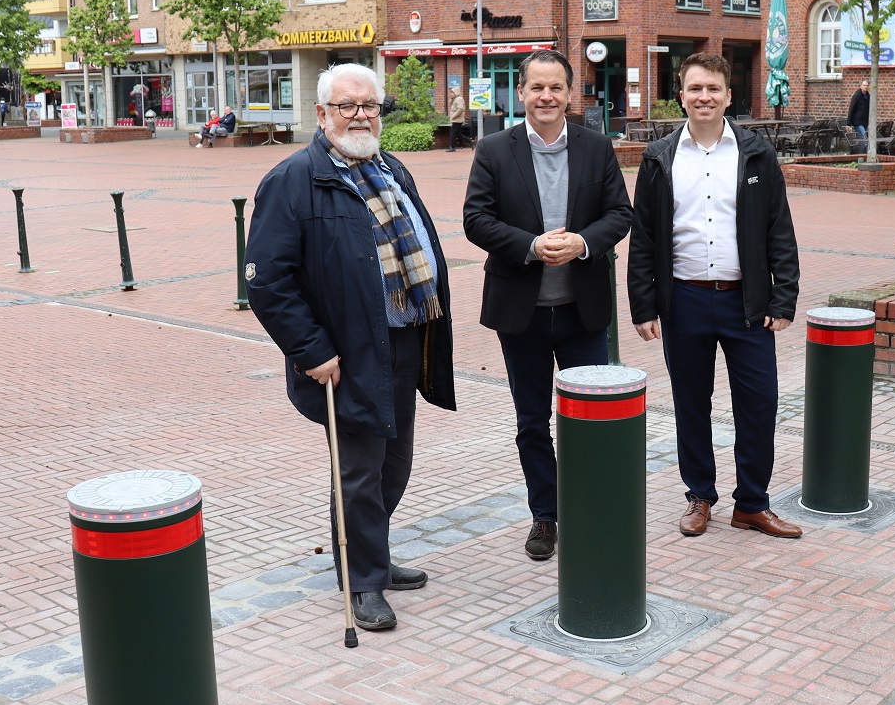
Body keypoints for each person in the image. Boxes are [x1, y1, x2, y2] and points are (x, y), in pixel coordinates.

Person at [245, 63, 456, 632]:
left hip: (407, 337)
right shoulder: (294, 179)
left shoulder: (390, 168)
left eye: (370, 106)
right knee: (359, 471)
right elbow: (267, 280)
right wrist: (310, 350)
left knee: (395, 463)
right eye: (348, 106)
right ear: (322, 114)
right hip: (348, 352)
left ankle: (372, 554)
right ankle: (362, 581)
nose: (361, 116)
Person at [463, 49, 634, 562]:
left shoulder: (596, 146)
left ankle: (590, 506)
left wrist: (582, 242)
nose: (546, 97)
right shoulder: (494, 149)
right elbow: (476, 218)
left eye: (555, 87)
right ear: (521, 93)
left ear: (569, 93)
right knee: (532, 422)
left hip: (583, 313)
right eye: (536, 87)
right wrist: (530, 246)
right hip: (523, 314)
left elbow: (620, 213)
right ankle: (547, 514)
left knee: (589, 417)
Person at [627, 52, 802, 540]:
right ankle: (699, 495)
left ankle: (752, 503)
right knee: (691, 403)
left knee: (759, 402)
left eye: (714, 90)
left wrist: (782, 298)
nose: (705, 97)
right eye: (695, 89)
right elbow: (643, 237)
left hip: (746, 305)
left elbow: (778, 229)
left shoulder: (756, 154)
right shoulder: (658, 157)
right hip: (682, 301)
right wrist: (643, 304)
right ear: (680, 95)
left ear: (729, 96)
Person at [847, 78, 870, 149]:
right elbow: (851, 109)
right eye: (864, 85)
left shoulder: (868, 97)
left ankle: (862, 154)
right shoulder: (856, 96)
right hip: (858, 121)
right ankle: (866, 153)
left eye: (867, 85)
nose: (865, 87)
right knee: (864, 137)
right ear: (861, 86)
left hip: (865, 121)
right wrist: (848, 124)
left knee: (863, 139)